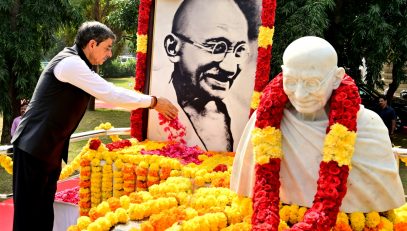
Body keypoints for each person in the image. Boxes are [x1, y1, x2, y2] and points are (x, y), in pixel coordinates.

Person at [11, 21, 178, 231]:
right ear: (92, 44)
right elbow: (111, 93)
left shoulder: (80, 65)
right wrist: (154, 102)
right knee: (28, 218)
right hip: (33, 148)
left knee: (43, 215)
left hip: (47, 151)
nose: (109, 54)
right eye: (107, 47)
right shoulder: (70, 63)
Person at [230, 36, 404, 216]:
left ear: (337, 78)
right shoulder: (263, 122)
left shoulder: (368, 127)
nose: (299, 94)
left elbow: (382, 198)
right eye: (291, 81)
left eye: (312, 83)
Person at [160, 0, 255, 151]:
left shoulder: (235, 113)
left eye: (239, 51)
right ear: (173, 48)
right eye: (217, 48)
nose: (230, 69)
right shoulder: (155, 105)